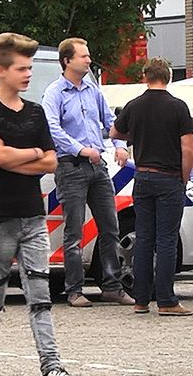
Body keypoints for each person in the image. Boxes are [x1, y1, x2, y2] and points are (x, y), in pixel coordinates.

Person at [0, 32, 84, 376]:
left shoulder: (35, 112)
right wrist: (28, 156)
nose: (28, 74)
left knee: (41, 294)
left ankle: (51, 369)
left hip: (33, 215)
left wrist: (23, 155)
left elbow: (50, 163)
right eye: (21, 68)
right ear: (1, 71)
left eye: (30, 67)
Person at [41, 37, 135, 308]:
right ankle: (74, 289)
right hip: (71, 166)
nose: (89, 60)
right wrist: (82, 150)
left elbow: (111, 123)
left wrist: (119, 145)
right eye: (83, 56)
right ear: (67, 61)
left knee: (110, 227)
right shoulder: (55, 93)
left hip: (98, 167)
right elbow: (52, 129)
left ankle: (111, 287)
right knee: (73, 232)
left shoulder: (93, 91)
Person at [111, 58, 193, 316]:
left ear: (145, 76)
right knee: (166, 240)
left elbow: (115, 132)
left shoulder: (134, 106)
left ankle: (140, 299)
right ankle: (167, 300)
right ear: (168, 77)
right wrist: (184, 177)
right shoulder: (178, 107)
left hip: (143, 177)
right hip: (168, 177)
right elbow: (186, 147)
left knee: (144, 238)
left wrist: (137, 134)